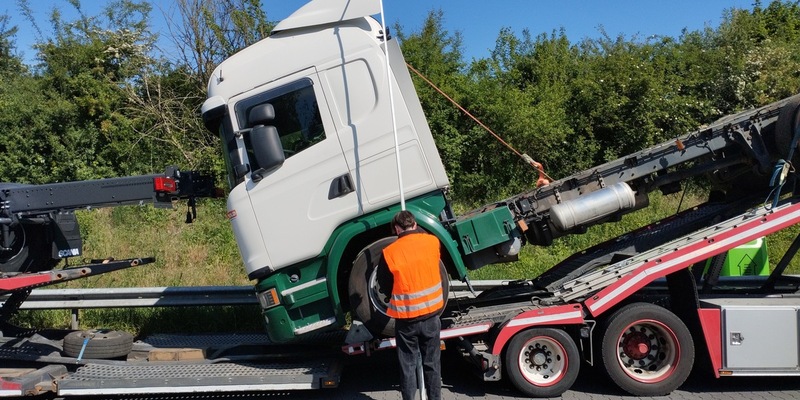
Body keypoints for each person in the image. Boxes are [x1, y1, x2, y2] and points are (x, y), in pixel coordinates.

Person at [378, 210, 444, 400]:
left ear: (397, 229)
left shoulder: (389, 252)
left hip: (406, 320)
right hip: (431, 315)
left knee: (407, 366)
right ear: (415, 224)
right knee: (432, 364)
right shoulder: (432, 241)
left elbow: (384, 283)